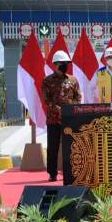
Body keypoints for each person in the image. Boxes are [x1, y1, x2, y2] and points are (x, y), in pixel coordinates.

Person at [41, 50, 82, 182]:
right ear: (55, 64)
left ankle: (70, 173)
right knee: (53, 148)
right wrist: (59, 109)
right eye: (62, 64)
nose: (65, 66)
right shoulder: (47, 81)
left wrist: (70, 109)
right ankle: (52, 173)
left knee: (70, 147)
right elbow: (46, 101)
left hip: (69, 119)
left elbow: (78, 97)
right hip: (53, 120)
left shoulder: (73, 80)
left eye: (67, 64)